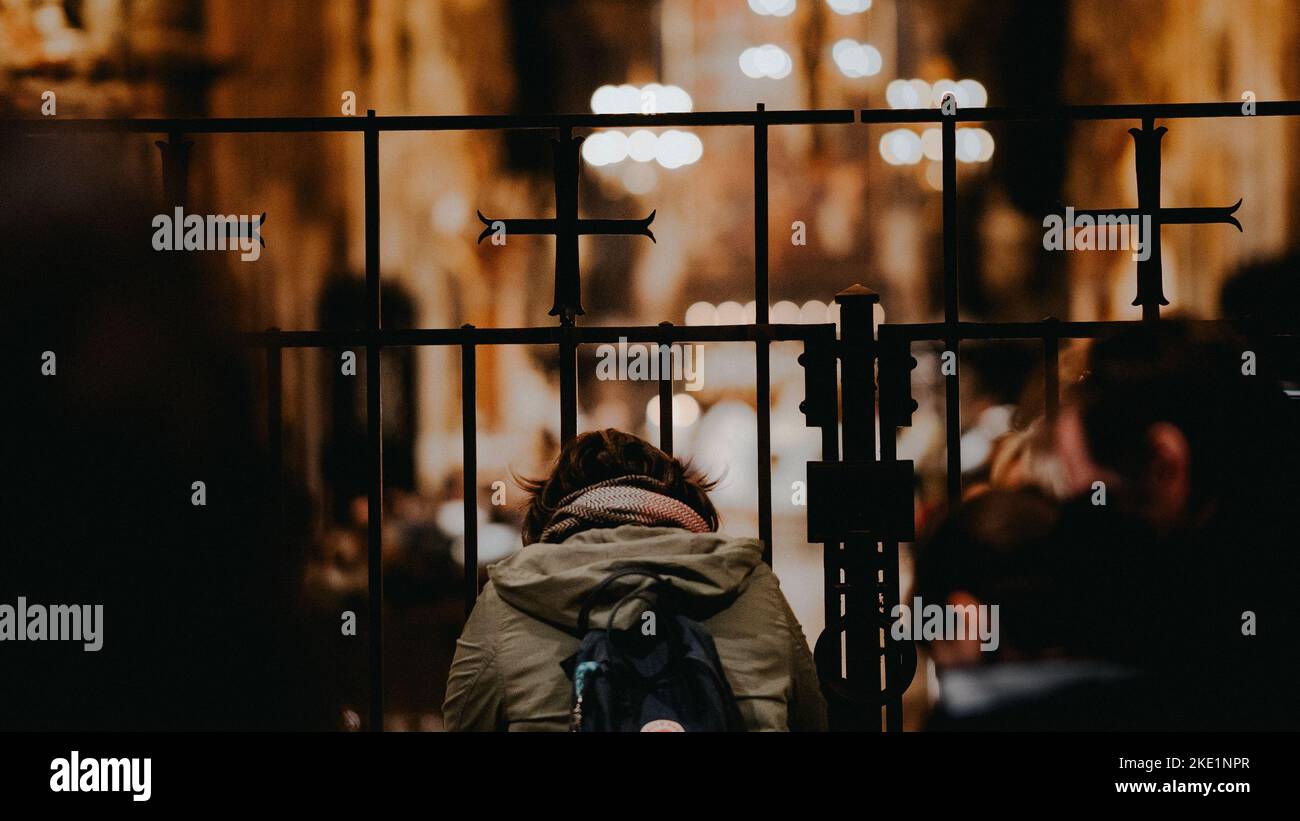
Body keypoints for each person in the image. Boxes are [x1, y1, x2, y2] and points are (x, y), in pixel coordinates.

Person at [443, 429, 826, 731]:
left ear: (550, 518)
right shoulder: (751, 586)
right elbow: (813, 718)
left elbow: (464, 719)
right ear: (689, 507)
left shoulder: (511, 598)